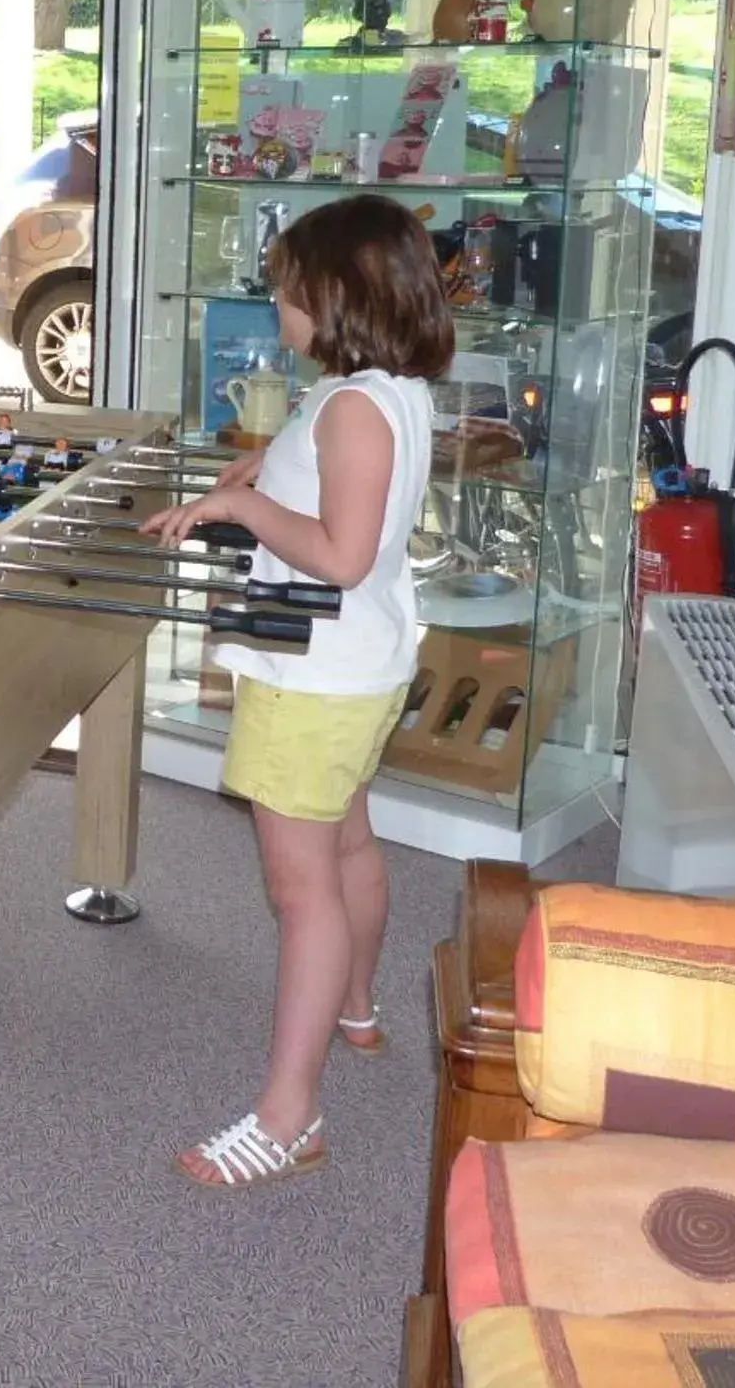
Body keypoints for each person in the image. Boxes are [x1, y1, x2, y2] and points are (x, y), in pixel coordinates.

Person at [142, 195, 450, 1190]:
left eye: (287, 286)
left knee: (300, 890)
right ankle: (357, 1009)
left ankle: (289, 1116)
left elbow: (341, 554)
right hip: (358, 671)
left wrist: (240, 505)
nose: (275, 300)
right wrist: (263, 471)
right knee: (348, 842)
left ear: (334, 297)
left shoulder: (354, 408)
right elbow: (333, 488)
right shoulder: (384, 391)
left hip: (314, 675)